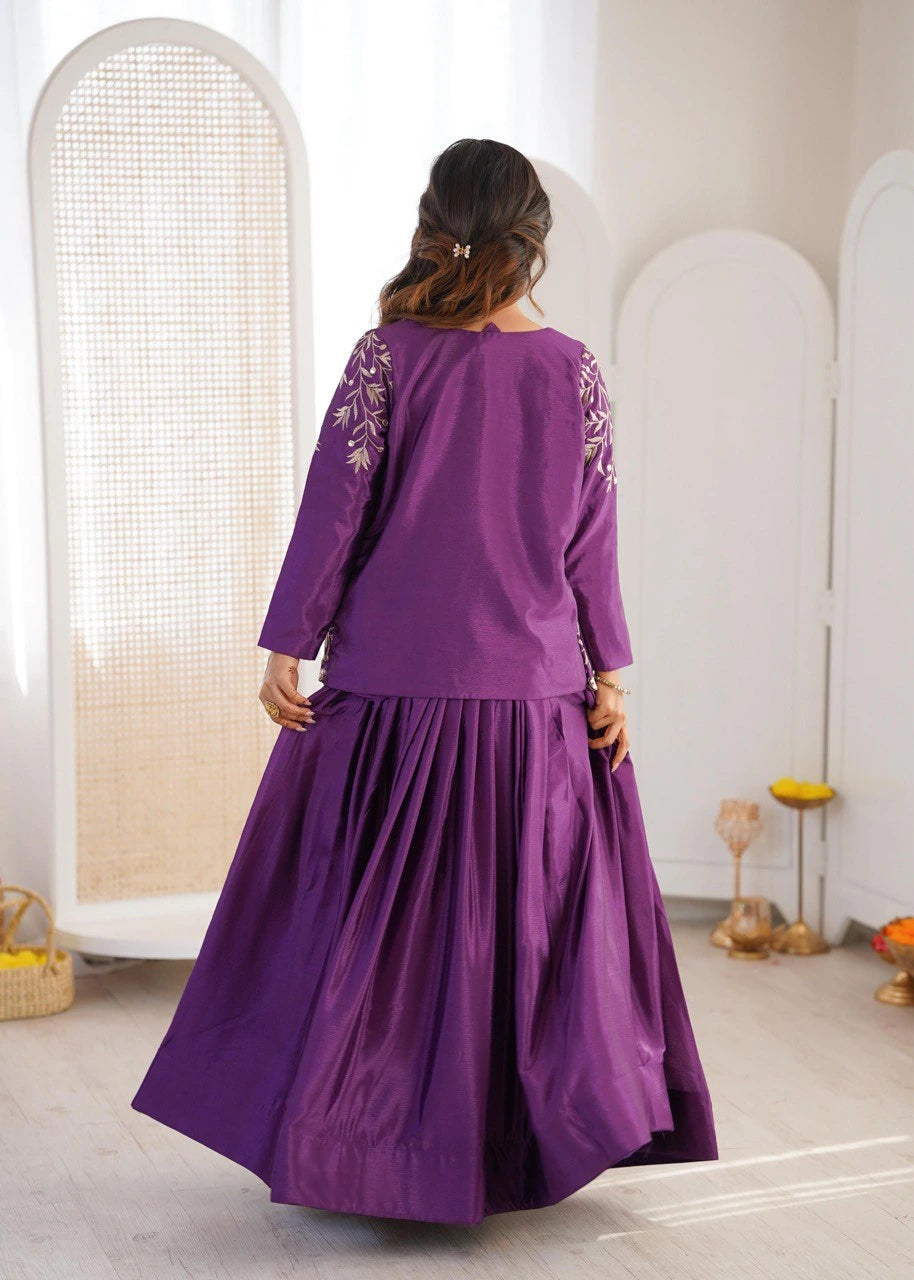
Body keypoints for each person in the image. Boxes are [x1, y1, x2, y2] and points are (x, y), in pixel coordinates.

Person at [131, 137, 719, 1225]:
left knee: (364, 933)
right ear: (533, 240)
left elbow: (331, 512)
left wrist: (285, 640)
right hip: (535, 701)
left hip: (391, 699)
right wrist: (612, 676)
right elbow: (593, 542)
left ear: (432, 220)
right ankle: (502, 1147)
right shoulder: (574, 370)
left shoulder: (385, 357)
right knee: (521, 938)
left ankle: (368, 1146)